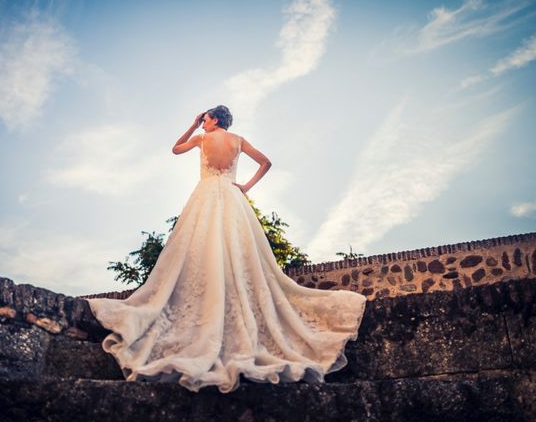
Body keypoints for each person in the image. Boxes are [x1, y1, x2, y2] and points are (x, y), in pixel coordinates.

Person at [84, 105, 366, 393]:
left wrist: (192, 126)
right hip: (232, 196)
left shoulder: (202, 139)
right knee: (238, 251)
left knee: (198, 249)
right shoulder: (239, 141)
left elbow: (175, 149)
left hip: (206, 196)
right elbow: (266, 162)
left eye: (204, 118)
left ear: (214, 119)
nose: (203, 122)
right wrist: (245, 187)